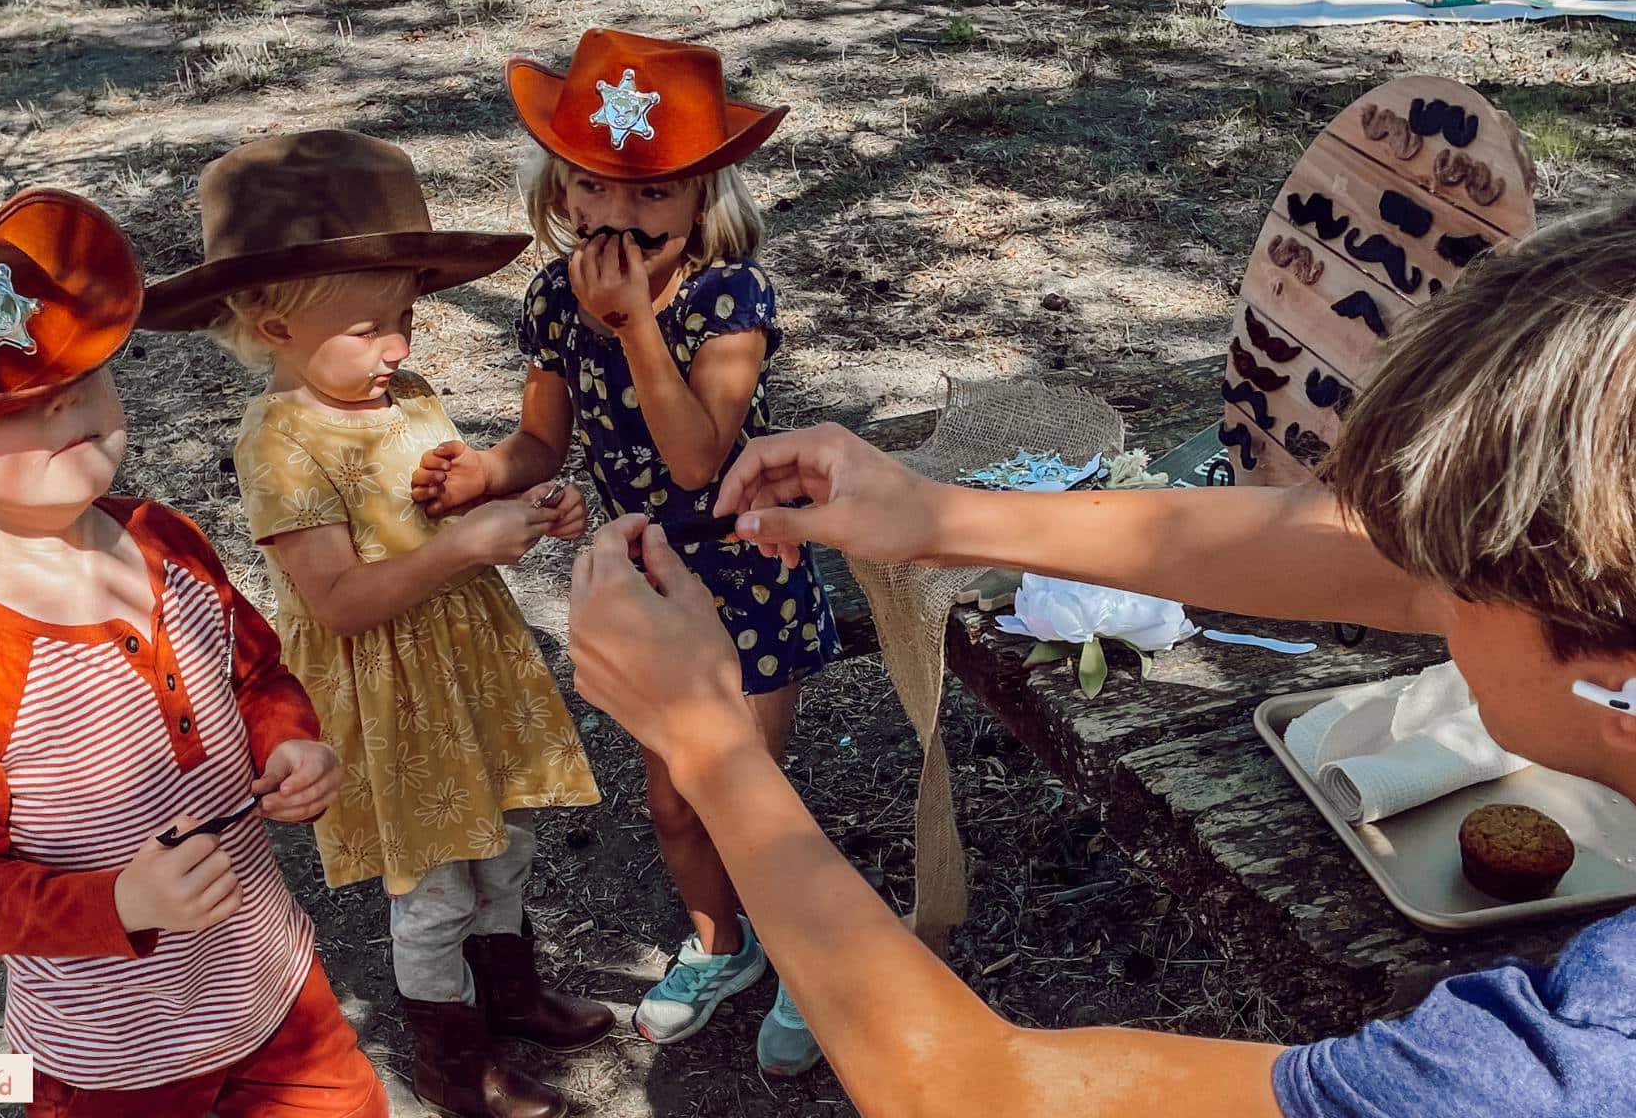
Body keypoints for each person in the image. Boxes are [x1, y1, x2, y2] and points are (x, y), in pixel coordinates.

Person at [565, 199, 1636, 1117]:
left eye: (1458, 581)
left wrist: (710, 745)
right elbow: (1368, 561)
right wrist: (939, 515)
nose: (1423, 588)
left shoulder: (1580, 1056)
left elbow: (980, 1094)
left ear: (1614, 682)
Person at [0, 190, 384, 1116]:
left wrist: (286, 741)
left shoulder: (165, 539)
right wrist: (118, 904)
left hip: (271, 985)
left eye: (82, 378)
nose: (69, 409)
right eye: (21, 405)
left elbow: (255, 674)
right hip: (112, 1058)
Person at [141, 131, 609, 1118]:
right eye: (369, 328)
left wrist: (522, 513)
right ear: (273, 326)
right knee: (434, 882)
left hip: (465, 663)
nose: (398, 346)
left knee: (505, 841)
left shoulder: (402, 394)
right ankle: (453, 1061)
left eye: (405, 316)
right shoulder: (281, 442)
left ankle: (511, 995)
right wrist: (462, 549)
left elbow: (434, 503)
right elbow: (341, 601)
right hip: (388, 689)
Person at [411, 29, 840, 1072]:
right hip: (646, 571)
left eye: (656, 195)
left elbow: (700, 457)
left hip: (747, 565)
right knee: (670, 795)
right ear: (562, 192)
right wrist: (483, 472)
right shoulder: (557, 300)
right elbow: (543, 440)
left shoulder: (729, 299)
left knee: (744, 791)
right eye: (597, 189)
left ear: (706, 198)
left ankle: (809, 964)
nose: (623, 215)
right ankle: (721, 944)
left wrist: (638, 326)